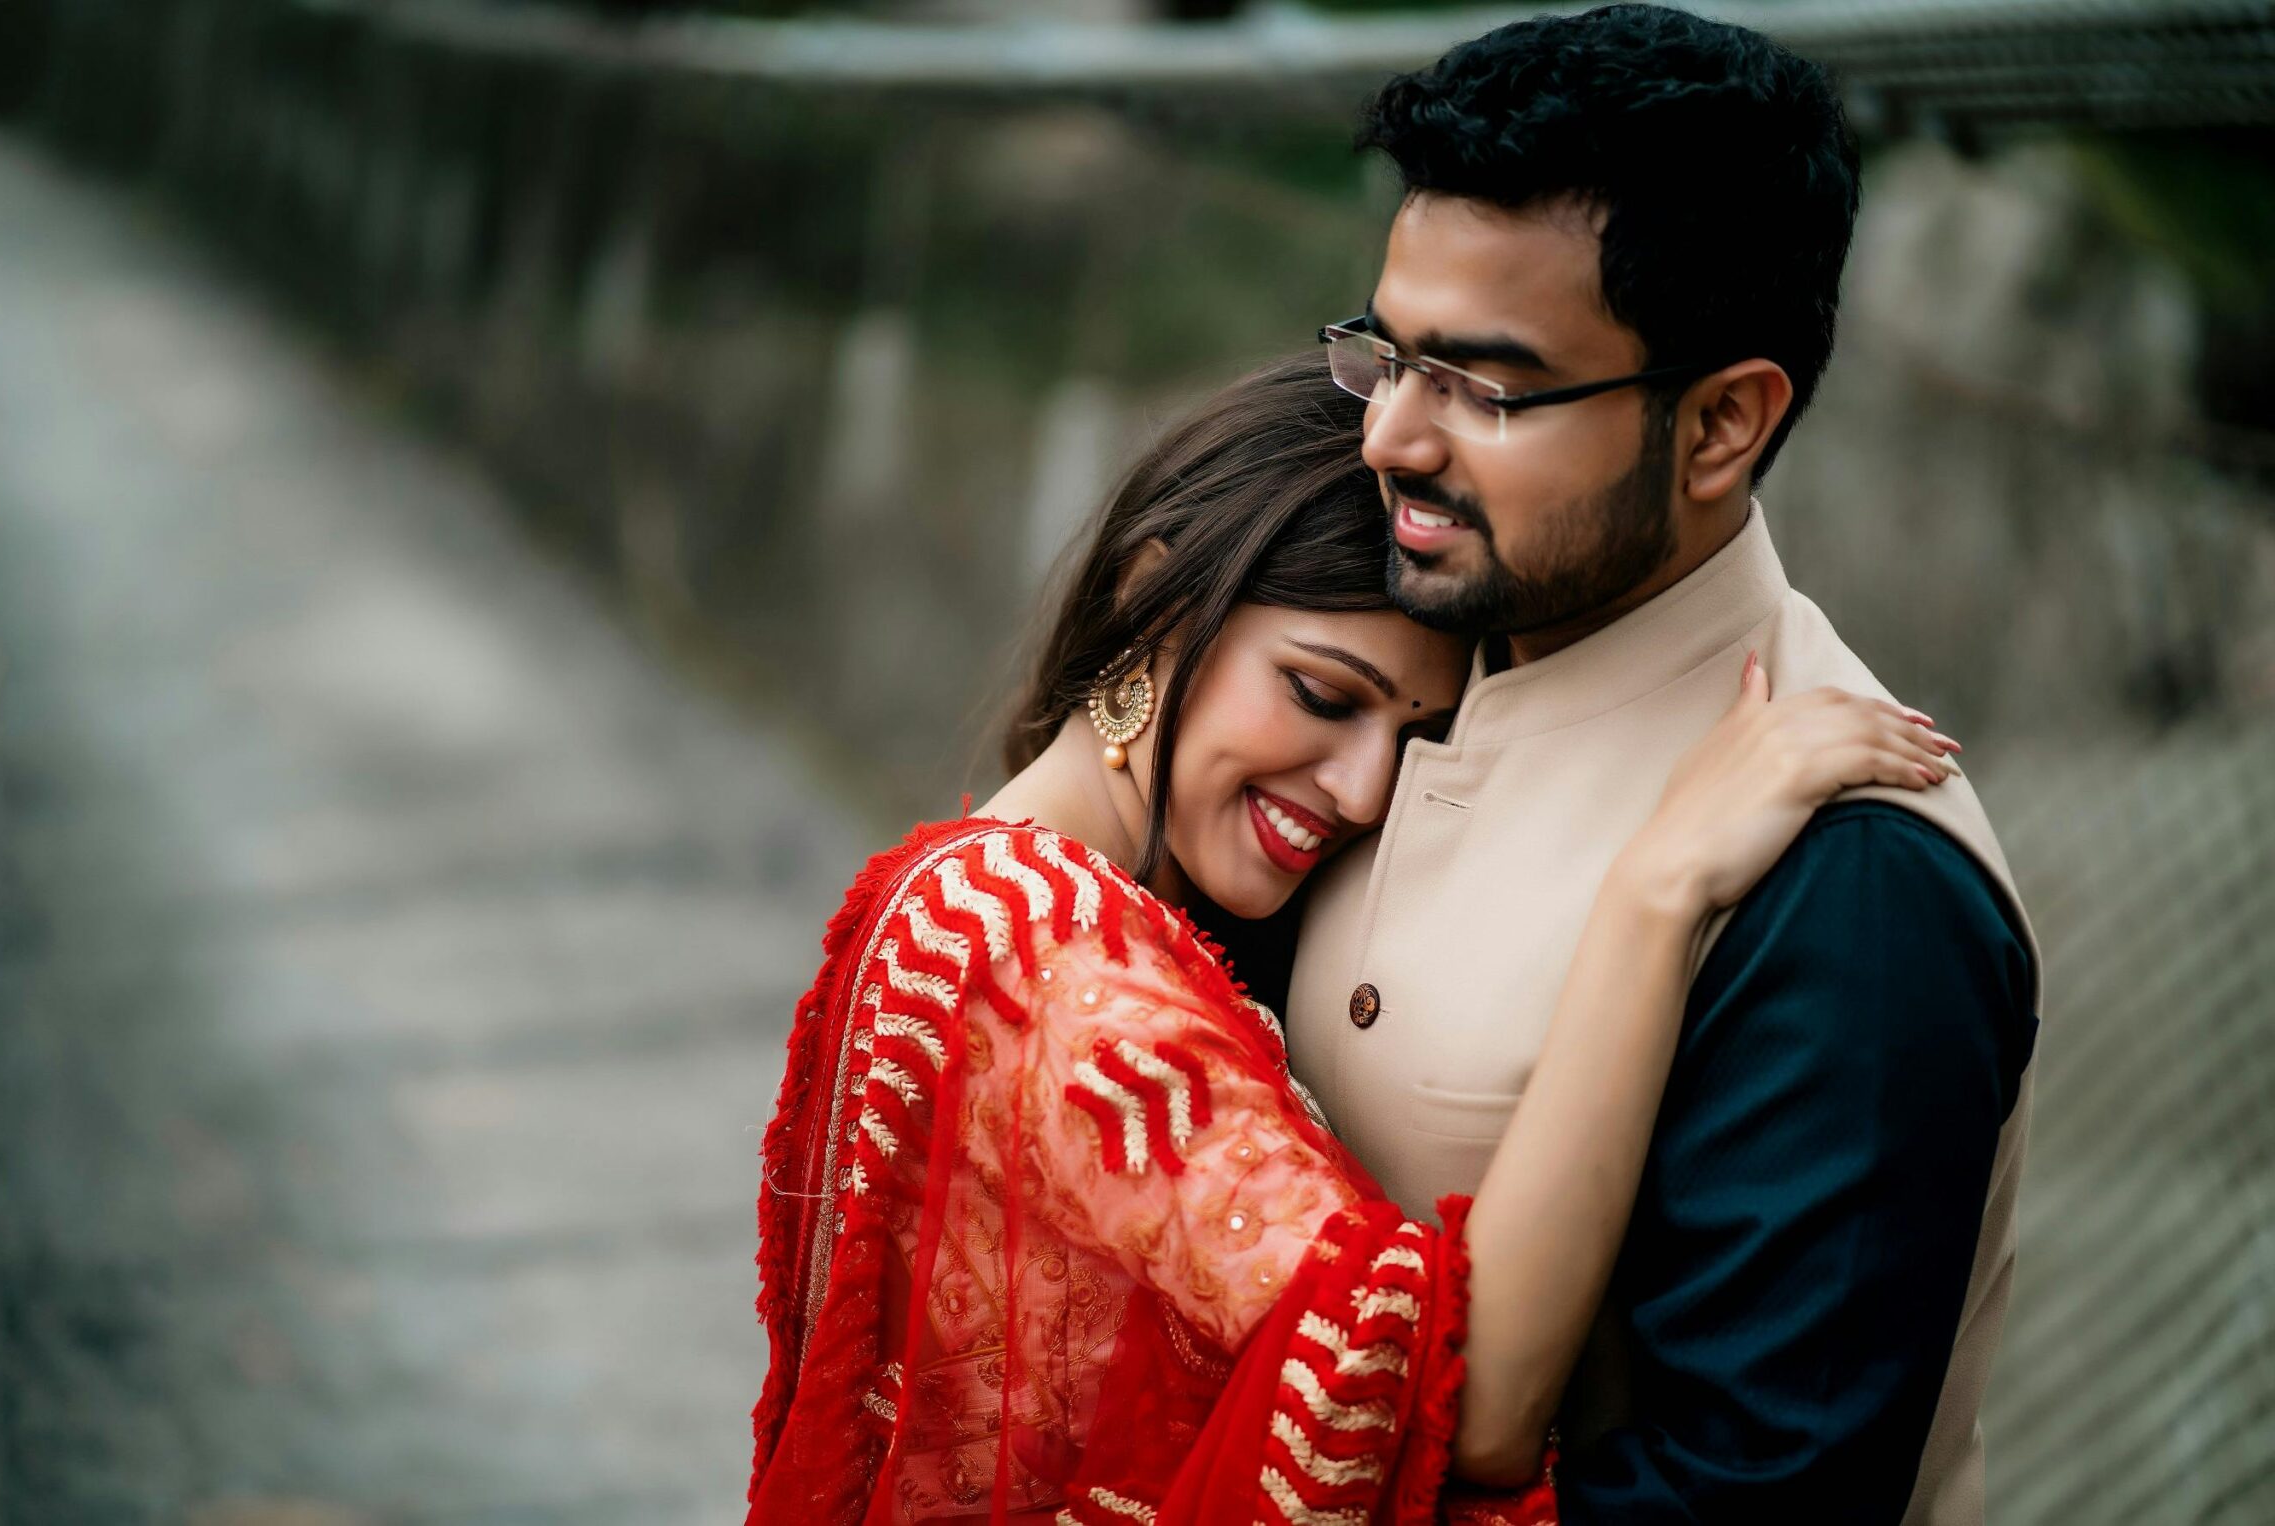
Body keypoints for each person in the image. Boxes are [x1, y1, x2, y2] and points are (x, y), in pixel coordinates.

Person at [749, 356, 1960, 1524]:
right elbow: (1448, 1397)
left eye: (1410, 733)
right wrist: (1657, 891)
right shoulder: (1057, 969)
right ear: (1150, 596)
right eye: (1323, 695)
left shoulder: (962, 896)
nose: (1363, 785)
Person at [1286, 9, 2043, 1524]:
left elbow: (1748, 1493)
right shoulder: (1387, 631)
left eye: (1487, 389)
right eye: (1389, 354)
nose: (1392, 439)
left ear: (1720, 425)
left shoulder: (1858, 889)